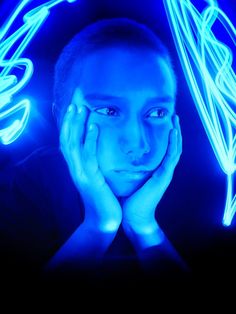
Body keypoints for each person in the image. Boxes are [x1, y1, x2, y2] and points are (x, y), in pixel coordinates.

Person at [1, 17, 189, 284]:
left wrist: (144, 225)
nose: (139, 145)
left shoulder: (203, 199)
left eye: (157, 112)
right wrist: (99, 225)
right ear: (62, 120)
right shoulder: (21, 189)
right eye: (109, 111)